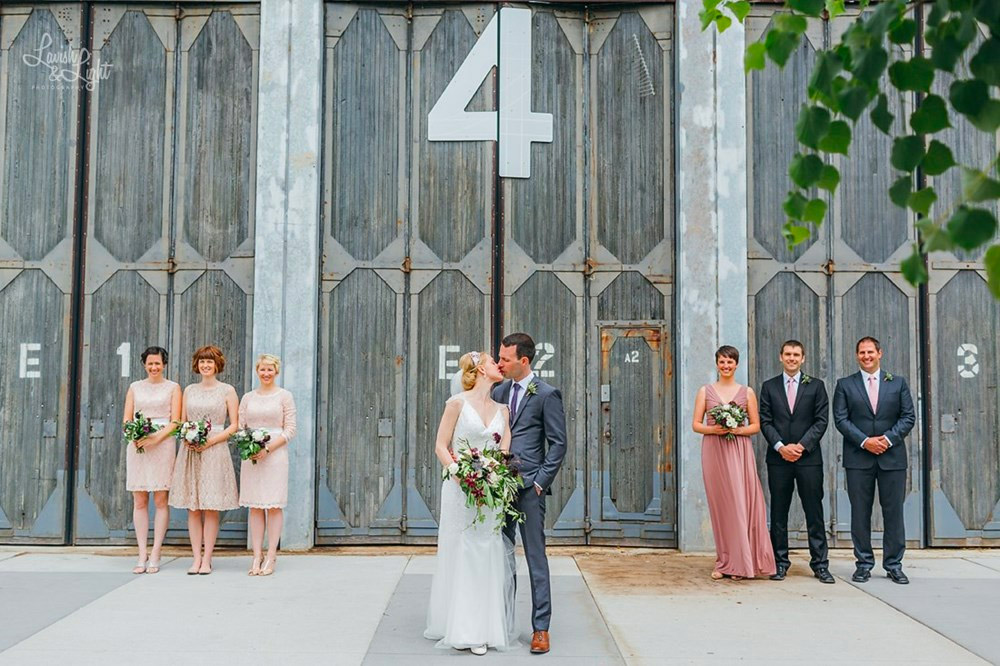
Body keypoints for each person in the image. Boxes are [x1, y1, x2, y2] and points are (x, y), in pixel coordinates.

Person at [425, 351, 517, 656]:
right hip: (460, 489)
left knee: (486, 550)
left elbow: (504, 450)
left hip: (490, 490)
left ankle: (486, 627)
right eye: (492, 362)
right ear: (479, 370)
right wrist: (460, 475)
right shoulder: (456, 404)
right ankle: (466, 629)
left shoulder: (503, 410)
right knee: (464, 550)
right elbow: (441, 446)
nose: (498, 365)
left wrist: (495, 473)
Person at [492, 333, 567, 655]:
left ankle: (541, 628)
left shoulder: (547, 394)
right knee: (501, 557)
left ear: (524, 361)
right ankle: (503, 622)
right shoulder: (499, 391)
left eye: (505, 359)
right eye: (499, 357)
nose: (500, 363)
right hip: (500, 488)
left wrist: (540, 482)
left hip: (529, 489)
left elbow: (558, 443)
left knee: (535, 557)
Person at [833, 336, 915, 585]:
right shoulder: (845, 385)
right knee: (860, 513)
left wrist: (887, 440)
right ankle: (863, 564)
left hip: (892, 459)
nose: (866, 356)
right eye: (862, 352)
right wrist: (865, 441)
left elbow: (908, 417)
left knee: (894, 513)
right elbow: (841, 419)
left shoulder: (897, 383)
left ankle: (894, 565)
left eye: (870, 352)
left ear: (880, 353)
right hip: (858, 459)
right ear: (857, 355)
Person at [692, 345, 775, 580]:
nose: (726, 366)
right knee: (721, 507)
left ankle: (740, 564)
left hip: (738, 451)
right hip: (714, 451)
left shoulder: (746, 392)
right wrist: (714, 429)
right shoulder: (705, 391)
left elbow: (755, 426)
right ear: (716, 364)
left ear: (736, 364)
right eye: (722, 362)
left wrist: (737, 429)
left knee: (739, 505)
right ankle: (724, 562)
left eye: (730, 362)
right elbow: (696, 424)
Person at [758, 340, 832, 583]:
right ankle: (780, 563)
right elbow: (765, 421)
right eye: (788, 354)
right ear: (781, 357)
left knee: (814, 512)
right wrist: (781, 447)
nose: (792, 358)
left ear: (803, 358)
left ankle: (820, 564)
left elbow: (821, 420)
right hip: (778, 459)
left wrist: (801, 446)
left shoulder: (816, 386)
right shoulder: (769, 386)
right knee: (779, 512)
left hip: (808, 459)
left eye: (796, 355)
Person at [169, 345, 240, 575]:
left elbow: (234, 425)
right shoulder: (189, 390)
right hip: (191, 450)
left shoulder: (227, 390)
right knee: (193, 507)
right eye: (202, 361)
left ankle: (207, 558)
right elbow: (181, 421)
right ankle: (195, 558)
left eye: (209, 361)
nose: (205, 365)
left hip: (215, 449)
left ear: (217, 364)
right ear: (197, 364)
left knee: (210, 507)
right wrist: (186, 437)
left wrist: (211, 441)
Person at [123, 345, 181, 574]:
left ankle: (156, 551)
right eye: (150, 364)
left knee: (160, 499)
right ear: (144, 365)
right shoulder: (135, 387)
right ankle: (141, 553)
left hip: (162, 444)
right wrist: (135, 435)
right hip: (138, 446)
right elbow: (127, 419)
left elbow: (176, 421)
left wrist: (156, 438)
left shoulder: (173, 388)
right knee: (139, 500)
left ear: (164, 364)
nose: (154, 367)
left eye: (157, 363)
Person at [238, 354, 297, 576]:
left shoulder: (285, 396)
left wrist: (268, 449)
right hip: (252, 455)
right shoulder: (248, 397)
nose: (266, 373)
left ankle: (271, 555)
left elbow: (290, 429)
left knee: (273, 505)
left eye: (270, 369)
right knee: (255, 506)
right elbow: (241, 426)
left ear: (276, 371)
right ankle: (256, 555)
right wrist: (250, 446)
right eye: (262, 369)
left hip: (275, 455)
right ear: (257, 371)